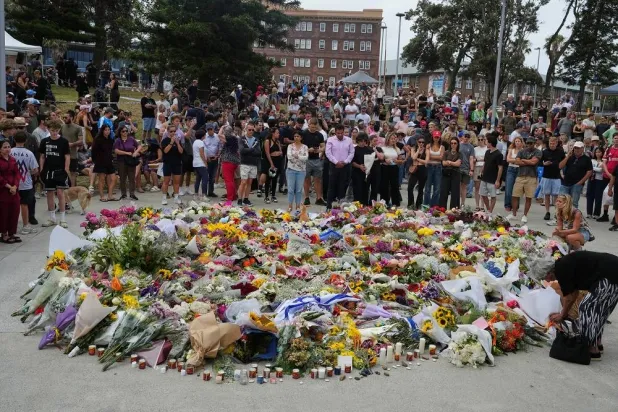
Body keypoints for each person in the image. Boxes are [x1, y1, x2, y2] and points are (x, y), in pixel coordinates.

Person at [546, 251, 618, 361]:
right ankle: (597, 342)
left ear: (548, 272)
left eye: (545, 277)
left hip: (609, 275)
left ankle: (591, 349)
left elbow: (570, 298)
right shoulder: (565, 264)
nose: (548, 280)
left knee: (587, 308)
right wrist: (564, 313)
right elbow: (574, 293)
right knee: (601, 310)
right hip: (612, 272)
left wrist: (562, 315)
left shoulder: (561, 269)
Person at [39, 119, 70, 228]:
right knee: (49, 194)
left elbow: (67, 156)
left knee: (61, 193)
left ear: (59, 130)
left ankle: (63, 218)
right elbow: (42, 156)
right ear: (48, 129)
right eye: (52, 130)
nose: (54, 132)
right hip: (48, 171)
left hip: (60, 171)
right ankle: (52, 218)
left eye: (56, 130)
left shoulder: (64, 141)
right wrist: (42, 169)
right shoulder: (44, 141)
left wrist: (66, 170)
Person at [11, 131, 39, 234]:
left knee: (12, 205)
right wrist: (28, 172)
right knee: (24, 204)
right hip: (25, 182)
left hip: (12, 182)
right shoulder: (29, 153)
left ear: (14, 140)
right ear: (26, 141)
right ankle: (25, 225)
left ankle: (11, 226)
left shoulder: (10, 151)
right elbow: (35, 170)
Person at [508, 137, 542, 223]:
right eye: (528, 143)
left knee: (528, 197)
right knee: (514, 195)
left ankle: (525, 215)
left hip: (532, 176)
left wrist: (523, 160)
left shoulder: (538, 152)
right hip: (520, 175)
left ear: (534, 143)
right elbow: (517, 162)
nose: (529, 145)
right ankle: (514, 214)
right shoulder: (521, 151)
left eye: (531, 143)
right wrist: (528, 161)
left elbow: (534, 162)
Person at [326, 124, 354, 209]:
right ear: (335, 132)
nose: (340, 135)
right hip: (334, 165)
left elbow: (351, 152)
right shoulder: (330, 140)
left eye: (341, 133)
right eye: (338, 133)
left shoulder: (349, 140)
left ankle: (341, 206)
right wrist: (336, 162)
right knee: (332, 185)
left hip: (345, 166)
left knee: (343, 185)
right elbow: (328, 153)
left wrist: (345, 162)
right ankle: (329, 205)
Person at [559, 141, 592, 209]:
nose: (577, 150)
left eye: (579, 148)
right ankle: (562, 217)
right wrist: (567, 156)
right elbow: (560, 166)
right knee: (562, 201)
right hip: (565, 183)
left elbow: (589, 172)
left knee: (574, 203)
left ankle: (572, 218)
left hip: (577, 184)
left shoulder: (587, 159)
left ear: (582, 149)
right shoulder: (570, 157)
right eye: (575, 148)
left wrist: (581, 182)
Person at [539, 136, 566, 221]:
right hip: (546, 176)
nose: (552, 145)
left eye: (553, 143)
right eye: (550, 143)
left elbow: (564, 163)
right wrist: (544, 164)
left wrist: (563, 172)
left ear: (556, 143)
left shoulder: (561, 152)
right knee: (546, 195)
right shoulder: (544, 151)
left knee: (556, 196)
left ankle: (556, 212)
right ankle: (547, 212)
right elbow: (539, 162)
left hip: (556, 177)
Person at [0, 140, 21, 243]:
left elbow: (17, 174)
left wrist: (15, 186)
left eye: (8, 147)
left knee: (15, 210)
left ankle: (12, 233)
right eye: (5, 147)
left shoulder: (13, 160)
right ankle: (4, 234)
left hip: (14, 190)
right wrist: (9, 187)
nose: (7, 149)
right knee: (4, 212)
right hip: (3, 190)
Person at [302, 118, 326, 206]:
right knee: (307, 178)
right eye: (312, 127)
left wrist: (319, 150)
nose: (313, 129)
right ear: (309, 125)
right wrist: (308, 149)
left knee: (318, 179)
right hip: (306, 159)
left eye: (315, 127)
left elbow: (323, 146)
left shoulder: (319, 135)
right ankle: (306, 197)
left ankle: (319, 198)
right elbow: (300, 146)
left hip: (316, 159)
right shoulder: (304, 133)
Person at [114, 126, 142, 200]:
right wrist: (126, 153)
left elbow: (139, 146)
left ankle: (132, 193)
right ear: (120, 132)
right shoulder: (118, 140)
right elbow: (116, 151)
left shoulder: (131, 139)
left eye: (126, 131)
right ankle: (123, 194)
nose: (125, 132)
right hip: (121, 161)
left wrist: (136, 152)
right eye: (123, 131)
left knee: (132, 177)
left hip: (130, 160)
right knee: (122, 178)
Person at [91, 125, 117, 202]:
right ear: (102, 131)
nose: (107, 131)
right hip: (100, 162)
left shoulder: (110, 139)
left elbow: (111, 151)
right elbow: (93, 151)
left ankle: (110, 195)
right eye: (105, 130)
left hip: (109, 161)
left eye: (108, 130)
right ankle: (102, 196)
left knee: (113, 179)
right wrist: (95, 161)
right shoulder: (98, 139)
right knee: (101, 179)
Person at [479, 133, 503, 214]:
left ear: (490, 143)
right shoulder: (487, 152)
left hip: (493, 178)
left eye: (486, 141)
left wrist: (497, 180)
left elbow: (500, 168)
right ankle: (488, 209)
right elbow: (485, 163)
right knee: (482, 194)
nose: (485, 142)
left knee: (493, 196)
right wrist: (481, 172)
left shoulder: (499, 154)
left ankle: (490, 211)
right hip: (484, 177)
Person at [160, 124, 184, 205]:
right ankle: (164, 198)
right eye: (171, 131)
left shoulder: (178, 140)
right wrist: (171, 143)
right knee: (166, 181)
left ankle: (176, 198)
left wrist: (177, 143)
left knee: (176, 181)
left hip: (177, 163)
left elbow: (181, 151)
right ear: (168, 132)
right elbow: (165, 151)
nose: (173, 133)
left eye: (174, 131)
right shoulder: (165, 140)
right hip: (167, 163)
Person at [238, 123, 261, 206]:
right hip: (244, 163)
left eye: (252, 130)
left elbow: (259, 152)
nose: (251, 131)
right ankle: (240, 199)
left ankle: (246, 199)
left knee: (249, 182)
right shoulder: (242, 139)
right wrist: (252, 150)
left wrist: (248, 150)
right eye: (249, 129)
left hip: (253, 164)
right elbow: (241, 150)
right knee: (243, 182)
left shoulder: (256, 140)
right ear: (246, 130)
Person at [286, 130, 308, 212]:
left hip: (301, 171)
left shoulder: (305, 147)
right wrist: (300, 157)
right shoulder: (290, 146)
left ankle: (298, 206)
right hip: (291, 169)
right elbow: (289, 156)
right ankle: (290, 205)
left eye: (298, 136)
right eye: (295, 136)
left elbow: (305, 158)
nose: (296, 138)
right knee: (291, 189)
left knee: (299, 190)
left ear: (301, 137)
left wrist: (297, 156)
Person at [218, 126, 240, 206]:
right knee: (232, 180)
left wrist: (222, 127)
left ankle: (230, 198)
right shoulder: (235, 138)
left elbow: (219, 135)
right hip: (235, 162)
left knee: (228, 180)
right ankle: (233, 196)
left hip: (228, 161)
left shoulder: (229, 138)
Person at [61, 110, 84, 187]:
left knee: (73, 172)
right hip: (63, 154)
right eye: (63, 117)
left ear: (71, 117)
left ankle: (73, 188)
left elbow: (81, 141)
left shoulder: (77, 128)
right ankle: (63, 187)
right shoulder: (62, 127)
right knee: (63, 171)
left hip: (73, 154)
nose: (64, 119)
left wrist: (72, 144)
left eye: (66, 117)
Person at [439, 137, 462, 209]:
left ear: (457, 144)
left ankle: (454, 210)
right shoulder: (446, 152)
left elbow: (458, 164)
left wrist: (449, 162)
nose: (453, 144)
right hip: (446, 173)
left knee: (455, 193)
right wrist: (453, 163)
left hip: (455, 174)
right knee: (443, 192)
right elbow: (443, 163)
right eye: (452, 143)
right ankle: (442, 209)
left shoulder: (460, 153)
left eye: (455, 143)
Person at [351, 133, 372, 206]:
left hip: (366, 173)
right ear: (358, 141)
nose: (363, 143)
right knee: (357, 190)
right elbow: (352, 162)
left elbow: (371, 160)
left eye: (364, 141)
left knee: (366, 190)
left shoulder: (369, 149)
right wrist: (359, 166)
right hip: (357, 173)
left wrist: (368, 168)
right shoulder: (354, 149)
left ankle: (365, 205)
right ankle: (357, 206)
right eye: (361, 141)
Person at [262, 128, 283, 204]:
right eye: (277, 133)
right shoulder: (268, 141)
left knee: (275, 179)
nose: (279, 134)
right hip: (269, 162)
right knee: (268, 179)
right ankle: (266, 196)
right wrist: (271, 163)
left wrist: (277, 153)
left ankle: (273, 195)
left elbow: (281, 152)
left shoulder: (278, 142)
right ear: (273, 133)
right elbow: (267, 153)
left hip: (277, 161)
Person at [423, 130, 443, 206]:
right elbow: (427, 156)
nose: (436, 138)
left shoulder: (442, 147)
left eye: (438, 137)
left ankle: (434, 205)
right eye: (435, 137)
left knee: (437, 188)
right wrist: (436, 157)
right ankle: (426, 205)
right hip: (429, 167)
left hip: (438, 167)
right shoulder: (428, 145)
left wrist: (431, 156)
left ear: (440, 137)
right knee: (427, 187)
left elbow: (441, 157)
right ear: (433, 137)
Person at [504, 136, 522, 212]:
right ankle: (508, 204)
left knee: (517, 189)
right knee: (509, 187)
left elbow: (522, 161)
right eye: (516, 141)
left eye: (519, 141)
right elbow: (508, 159)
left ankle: (516, 205)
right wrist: (516, 160)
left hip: (519, 169)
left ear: (521, 142)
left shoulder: (523, 151)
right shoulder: (511, 150)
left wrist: (514, 160)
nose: (517, 142)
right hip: (511, 169)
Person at [459, 132, 475, 207]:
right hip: (458, 168)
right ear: (462, 136)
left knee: (464, 186)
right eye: (465, 136)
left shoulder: (471, 147)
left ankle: (463, 202)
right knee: (457, 186)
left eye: (468, 137)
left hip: (466, 168)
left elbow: (471, 158)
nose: (466, 138)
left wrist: (471, 169)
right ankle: (457, 201)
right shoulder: (458, 145)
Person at [472, 135, 488, 210]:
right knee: (477, 187)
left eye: (482, 139)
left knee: (483, 187)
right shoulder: (475, 149)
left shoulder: (487, 148)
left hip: (484, 168)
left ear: (484, 140)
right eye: (479, 139)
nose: (480, 141)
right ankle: (477, 205)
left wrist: (479, 159)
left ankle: (482, 205)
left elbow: (486, 159)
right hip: (477, 167)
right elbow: (474, 159)